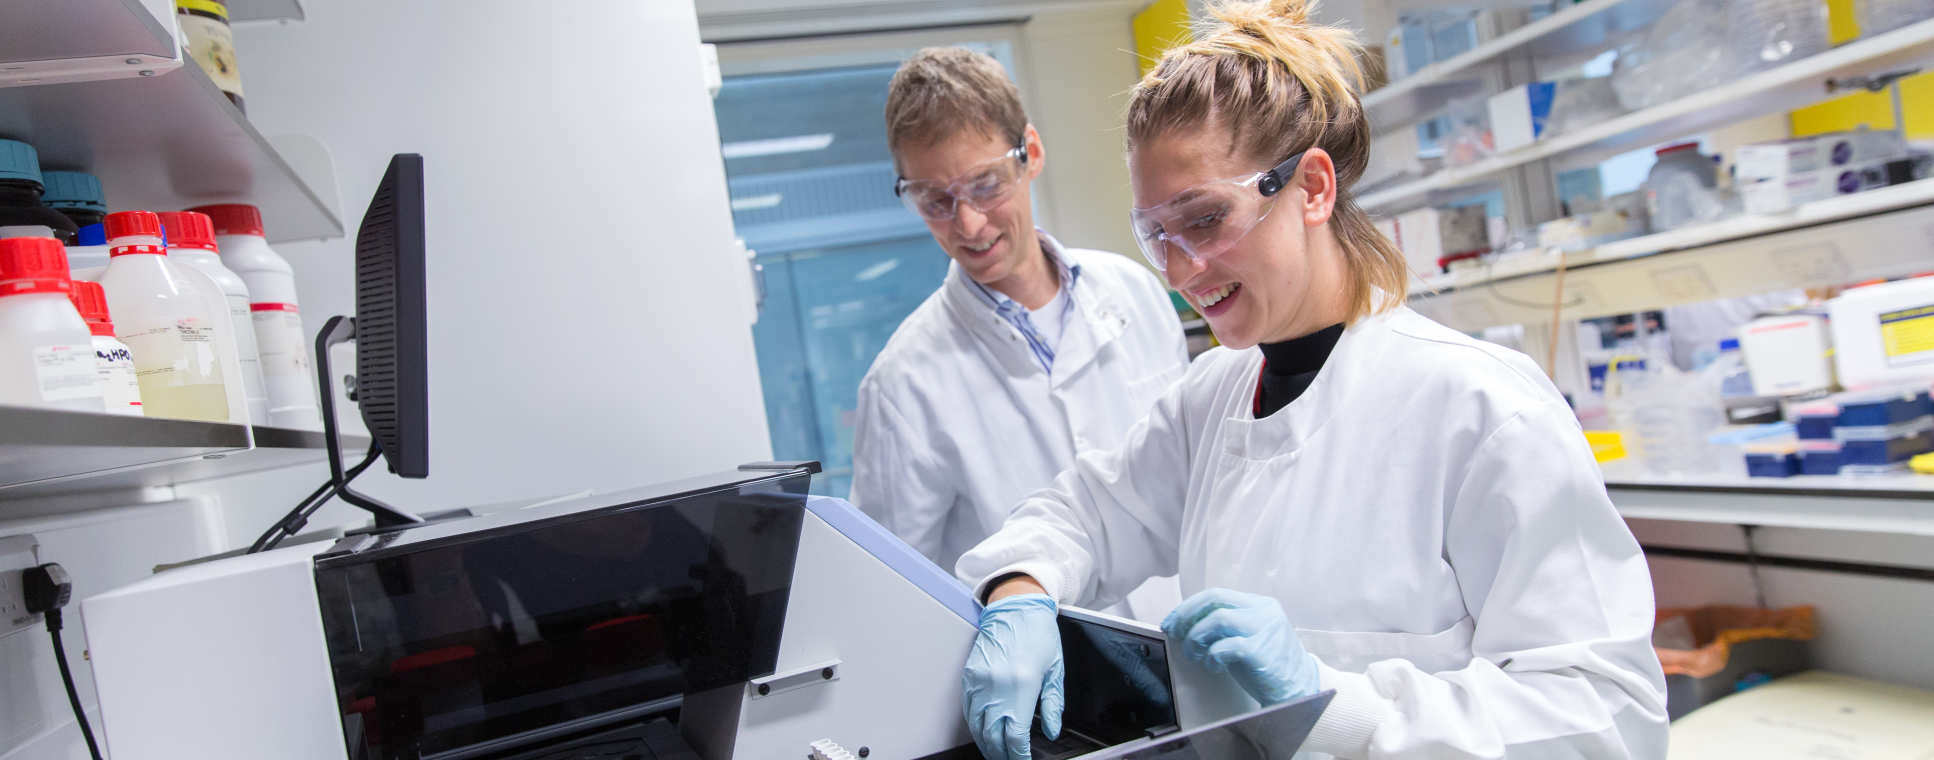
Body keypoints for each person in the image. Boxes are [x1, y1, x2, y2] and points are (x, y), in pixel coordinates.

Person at [952, 2, 1670, 759]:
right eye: (1156, 234)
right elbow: (1083, 516)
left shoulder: (1483, 410)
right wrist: (1020, 592)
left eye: (1203, 220)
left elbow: (1607, 717)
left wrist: (1340, 703)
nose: (1178, 272)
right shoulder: (1213, 399)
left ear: (1314, 188)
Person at [849, 47, 1188, 621]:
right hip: (1050, 683)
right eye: (936, 201)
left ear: (1029, 153)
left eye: (985, 185)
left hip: (1185, 637)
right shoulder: (902, 384)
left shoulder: (1136, 291)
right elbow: (895, 592)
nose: (969, 224)